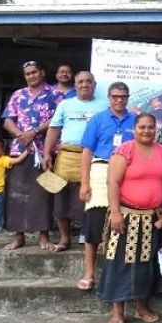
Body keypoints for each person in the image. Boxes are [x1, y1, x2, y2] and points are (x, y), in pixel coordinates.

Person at [97, 113, 162, 323]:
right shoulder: (125, 150)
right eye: (142, 127)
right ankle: (118, 312)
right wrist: (115, 212)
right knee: (120, 263)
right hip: (126, 216)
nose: (146, 131)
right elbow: (113, 182)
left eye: (150, 127)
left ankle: (142, 308)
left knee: (147, 264)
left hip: (154, 218)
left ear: (156, 129)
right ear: (134, 128)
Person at [76, 81, 136, 291]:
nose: (119, 100)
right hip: (100, 170)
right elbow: (87, 151)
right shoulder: (98, 119)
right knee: (94, 221)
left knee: (123, 220)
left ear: (128, 98)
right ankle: (89, 273)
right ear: (109, 97)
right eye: (115, 96)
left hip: (128, 173)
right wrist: (84, 182)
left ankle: (120, 273)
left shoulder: (135, 120)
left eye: (123, 96)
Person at [42, 71, 106, 252]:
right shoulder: (65, 104)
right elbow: (54, 129)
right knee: (61, 198)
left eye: (88, 81)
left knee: (94, 197)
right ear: (75, 84)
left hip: (94, 157)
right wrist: (47, 153)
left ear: (94, 84)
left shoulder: (104, 105)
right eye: (81, 82)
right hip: (67, 155)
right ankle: (64, 239)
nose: (84, 84)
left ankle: (93, 238)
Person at [2, 60, 62, 250]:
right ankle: (19, 236)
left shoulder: (55, 94)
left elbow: (58, 119)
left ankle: (44, 237)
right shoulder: (18, 95)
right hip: (20, 151)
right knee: (17, 194)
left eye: (34, 72)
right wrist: (21, 135)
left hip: (46, 151)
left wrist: (34, 131)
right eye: (27, 74)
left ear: (42, 73)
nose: (31, 76)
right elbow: (7, 121)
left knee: (44, 193)